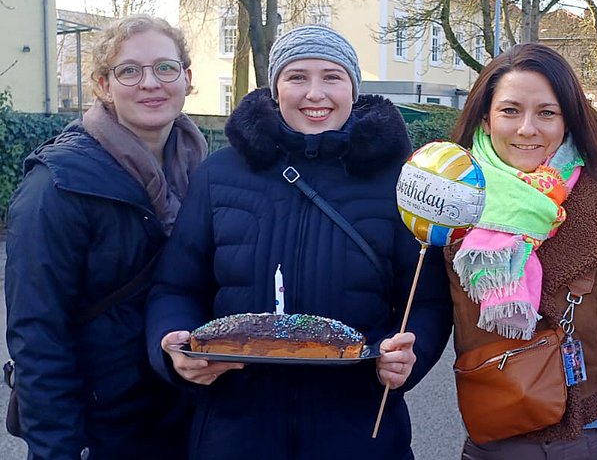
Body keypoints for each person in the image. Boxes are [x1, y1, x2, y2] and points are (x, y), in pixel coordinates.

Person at [145, 24, 452, 459]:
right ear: (275, 89)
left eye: (331, 77)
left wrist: (409, 353)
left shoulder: (400, 182)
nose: (315, 93)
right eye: (297, 77)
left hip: (359, 430)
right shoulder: (220, 175)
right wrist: (172, 345)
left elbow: (427, 300)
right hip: (234, 430)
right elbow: (176, 287)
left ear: (353, 88)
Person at [5, 14, 205, 459]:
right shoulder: (56, 186)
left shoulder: (205, 174)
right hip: (102, 430)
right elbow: (38, 335)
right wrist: (58, 449)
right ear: (102, 85)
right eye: (129, 70)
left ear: (187, 78)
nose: (150, 83)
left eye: (165, 68)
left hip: (183, 418)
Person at [446, 43, 597, 459]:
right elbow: (425, 305)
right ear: (486, 117)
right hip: (497, 420)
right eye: (510, 111)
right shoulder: (450, 194)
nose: (527, 129)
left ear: (568, 120)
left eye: (546, 113)